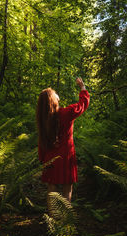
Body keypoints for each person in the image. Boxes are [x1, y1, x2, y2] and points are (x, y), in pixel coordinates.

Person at [36, 77, 90, 213]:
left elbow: (41, 142)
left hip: (50, 158)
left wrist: (42, 159)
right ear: (52, 100)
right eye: (54, 93)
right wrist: (82, 87)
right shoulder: (66, 114)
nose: (56, 93)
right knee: (67, 188)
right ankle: (65, 220)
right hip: (66, 157)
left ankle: (53, 219)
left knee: (51, 188)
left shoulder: (43, 120)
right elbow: (83, 104)